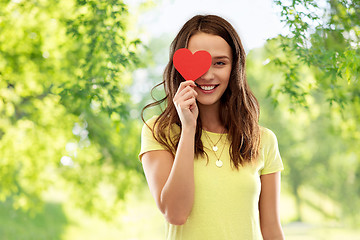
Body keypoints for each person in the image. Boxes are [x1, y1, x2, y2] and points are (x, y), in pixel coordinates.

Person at [139, 14, 285, 240]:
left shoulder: (263, 139)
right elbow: (175, 213)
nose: (207, 75)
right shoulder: (158, 132)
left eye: (219, 63)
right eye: (200, 63)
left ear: (235, 67)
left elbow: (272, 230)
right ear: (180, 67)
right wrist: (188, 129)